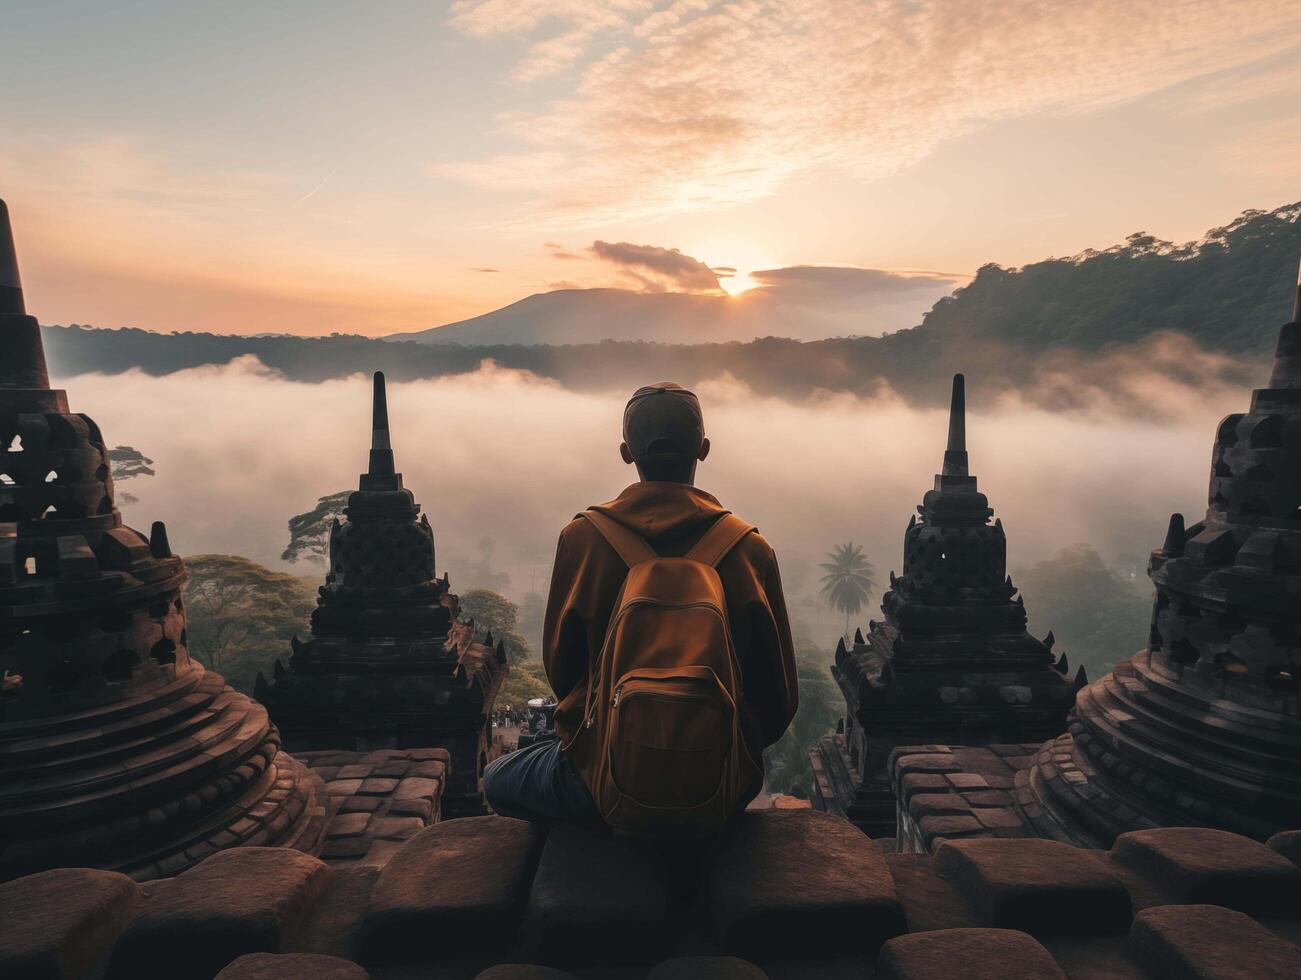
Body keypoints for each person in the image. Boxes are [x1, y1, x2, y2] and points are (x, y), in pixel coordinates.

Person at [483, 381, 798, 829]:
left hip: (599, 781)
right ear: (703, 449)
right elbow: (778, 700)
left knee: (498, 776)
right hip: (719, 783)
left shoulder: (584, 539)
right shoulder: (750, 549)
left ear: (626, 452)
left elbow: (564, 673)